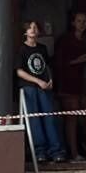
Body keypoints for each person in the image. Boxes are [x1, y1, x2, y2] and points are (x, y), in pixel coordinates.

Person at [17, 20, 67, 163]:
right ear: (25, 32)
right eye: (30, 27)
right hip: (29, 88)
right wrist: (38, 81)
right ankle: (40, 152)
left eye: (35, 27)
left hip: (44, 87)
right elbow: (19, 71)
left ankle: (56, 150)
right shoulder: (22, 49)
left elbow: (47, 66)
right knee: (34, 119)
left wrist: (50, 79)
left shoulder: (42, 48)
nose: (33, 30)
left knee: (49, 117)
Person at [53, 12, 86, 160]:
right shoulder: (65, 40)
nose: (82, 24)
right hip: (69, 83)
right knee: (71, 118)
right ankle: (74, 153)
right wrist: (79, 60)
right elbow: (58, 63)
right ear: (73, 22)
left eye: (85, 21)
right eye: (79, 21)